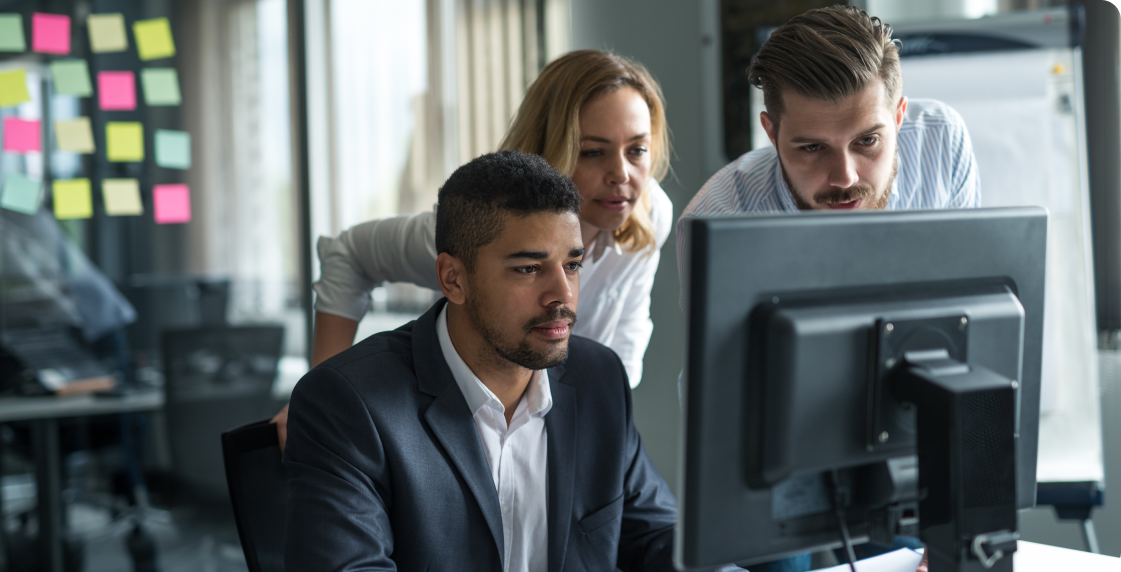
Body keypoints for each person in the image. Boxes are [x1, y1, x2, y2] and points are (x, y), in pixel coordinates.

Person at [283, 151, 740, 572]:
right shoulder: (348, 404)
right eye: (528, 268)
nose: (563, 295)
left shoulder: (597, 377)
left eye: (572, 265)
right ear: (453, 278)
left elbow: (660, 535)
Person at [678, 7, 969, 572]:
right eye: (812, 148)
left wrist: (952, 515)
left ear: (900, 115)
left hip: (900, 423)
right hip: (773, 451)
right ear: (771, 132)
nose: (845, 177)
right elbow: (719, 407)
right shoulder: (721, 218)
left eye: (867, 141)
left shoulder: (943, 146)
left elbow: (961, 336)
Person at [272, 49, 674, 447]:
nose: (622, 174)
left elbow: (619, 354)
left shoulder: (649, 213)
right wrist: (316, 396)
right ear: (553, 147)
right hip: (459, 429)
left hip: (558, 435)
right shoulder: (481, 229)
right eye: (593, 152)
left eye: (637, 149)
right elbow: (350, 253)